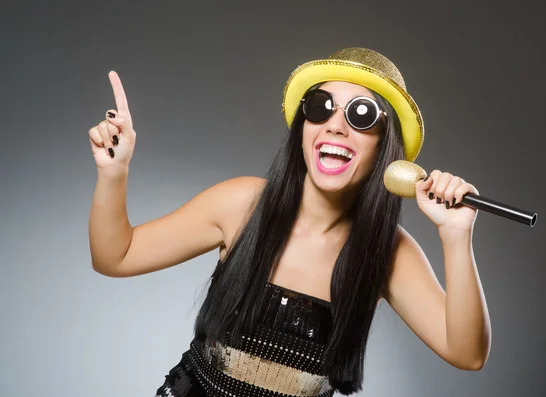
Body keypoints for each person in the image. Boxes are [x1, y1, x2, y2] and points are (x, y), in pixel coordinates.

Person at [88, 47, 491, 397]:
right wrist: (114, 172)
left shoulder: (388, 253)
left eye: (361, 115)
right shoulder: (240, 204)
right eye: (320, 107)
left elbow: (467, 353)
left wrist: (456, 236)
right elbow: (115, 258)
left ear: (385, 147)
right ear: (304, 128)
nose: (335, 124)